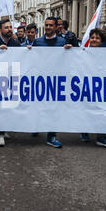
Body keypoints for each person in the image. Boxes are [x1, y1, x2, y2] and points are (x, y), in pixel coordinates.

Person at [69, 29, 106, 148]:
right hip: (85, 86)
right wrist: (69, 50)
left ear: (101, 41)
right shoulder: (82, 52)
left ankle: (101, 137)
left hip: (101, 87)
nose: (94, 40)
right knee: (86, 108)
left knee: (102, 110)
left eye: (97, 38)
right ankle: (84, 131)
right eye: (92, 37)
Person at [31, 17, 67, 148]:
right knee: (38, 105)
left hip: (55, 81)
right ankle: (35, 126)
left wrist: (70, 50)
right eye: (46, 25)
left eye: (50, 25)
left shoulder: (63, 42)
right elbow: (31, 59)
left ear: (56, 27)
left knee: (53, 109)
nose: (47, 27)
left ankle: (51, 136)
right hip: (40, 79)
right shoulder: (38, 42)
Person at [0, 19, 20, 147]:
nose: (9, 29)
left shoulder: (15, 43)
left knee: (8, 105)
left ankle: (4, 128)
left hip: (10, 78)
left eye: (11, 27)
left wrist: (28, 50)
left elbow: (21, 57)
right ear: (1, 29)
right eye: (6, 27)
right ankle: (0, 134)